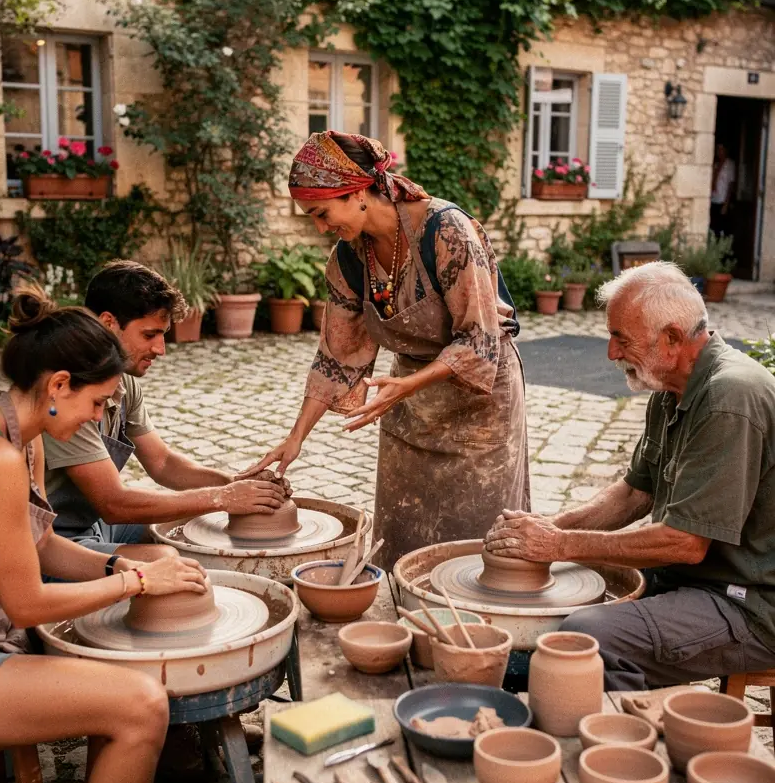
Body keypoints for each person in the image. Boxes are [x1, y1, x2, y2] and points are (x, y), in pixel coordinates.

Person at [0, 288, 220, 783]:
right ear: (59, 384)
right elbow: (28, 604)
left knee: (133, 633)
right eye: (100, 403)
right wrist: (136, 582)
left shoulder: (21, 434)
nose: (102, 416)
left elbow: (46, 550)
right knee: (139, 705)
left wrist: (123, 561)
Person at [486, 261, 775, 690]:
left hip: (748, 602)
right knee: (553, 605)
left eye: (621, 338)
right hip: (691, 580)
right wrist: (548, 529)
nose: (611, 352)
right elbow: (633, 494)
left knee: (587, 636)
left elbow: (685, 543)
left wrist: (560, 545)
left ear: (673, 338)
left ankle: (623, 741)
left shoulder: (730, 398)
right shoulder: (670, 387)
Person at [251, 130, 529, 571]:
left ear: (358, 191)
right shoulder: (348, 259)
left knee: (474, 551)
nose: (321, 227)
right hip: (408, 400)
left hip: (479, 405)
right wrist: (295, 437)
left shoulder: (445, 230)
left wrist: (407, 386)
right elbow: (336, 357)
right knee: (402, 536)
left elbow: (480, 337)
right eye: (311, 218)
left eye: (322, 213)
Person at [43, 260, 288, 558]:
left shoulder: (123, 383)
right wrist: (221, 498)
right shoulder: (72, 393)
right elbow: (114, 504)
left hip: (95, 524)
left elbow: (162, 464)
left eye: (163, 334)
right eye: (149, 335)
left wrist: (236, 484)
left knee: (185, 531)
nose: (161, 349)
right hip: (54, 541)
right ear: (108, 323)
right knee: (172, 562)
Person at [710, 142, 736, 238]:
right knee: (714, 227)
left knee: (724, 227)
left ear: (726, 151)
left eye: (721, 149)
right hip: (714, 199)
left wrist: (726, 203)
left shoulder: (730, 164)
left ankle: (724, 250)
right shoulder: (715, 164)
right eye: (718, 149)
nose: (719, 152)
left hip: (723, 200)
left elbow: (731, 184)